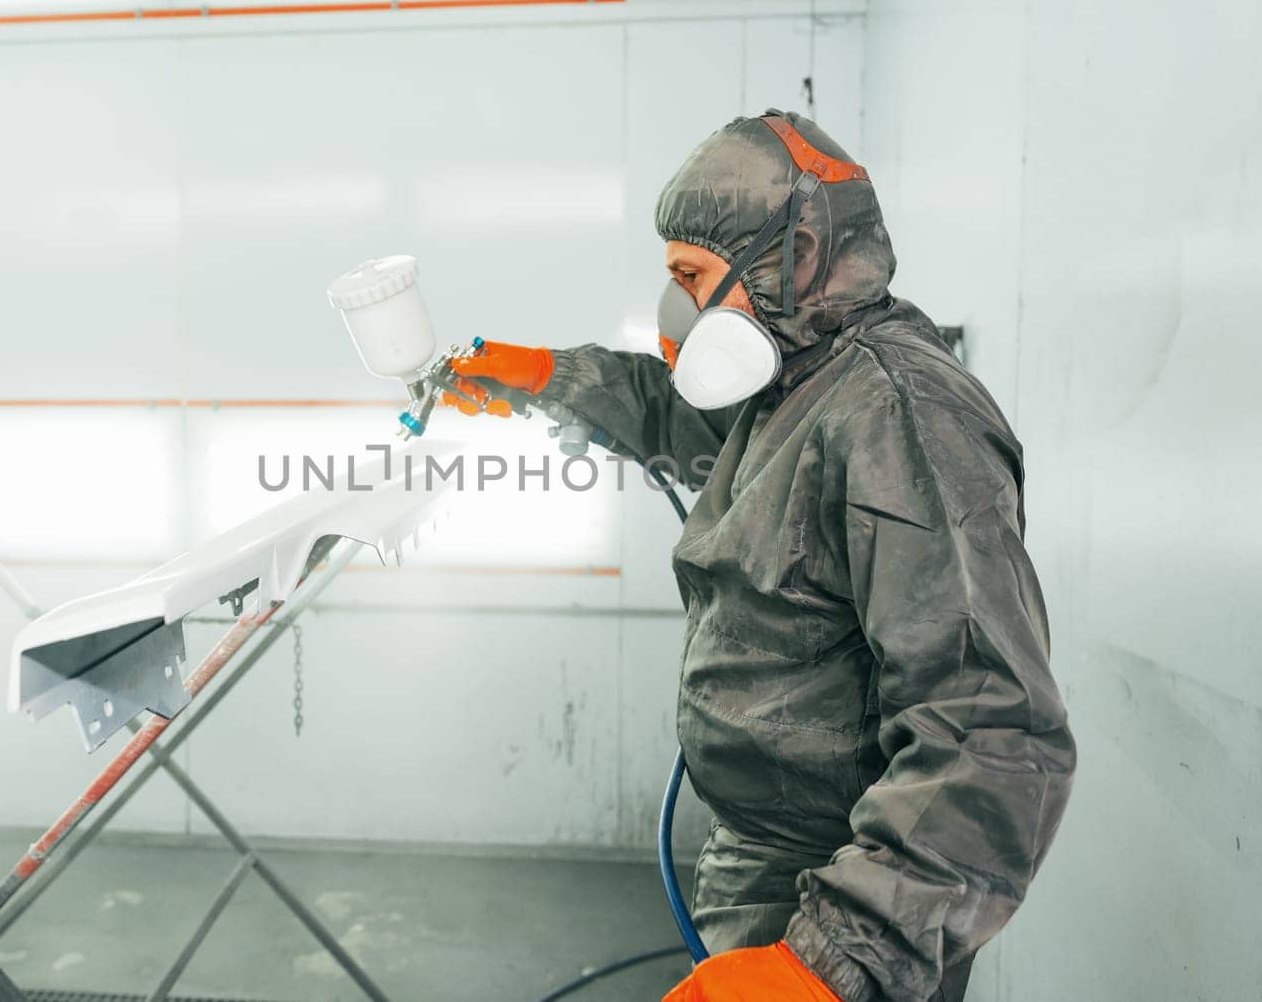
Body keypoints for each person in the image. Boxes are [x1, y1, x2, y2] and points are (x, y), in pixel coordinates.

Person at [443, 112, 1076, 1001]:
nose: (680, 311)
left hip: (839, 895)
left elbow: (991, 729)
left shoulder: (900, 415)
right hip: (768, 861)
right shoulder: (801, 379)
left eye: (691, 278)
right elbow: (680, 417)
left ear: (800, 253)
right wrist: (550, 376)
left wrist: (826, 964)